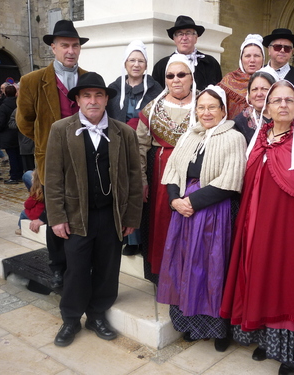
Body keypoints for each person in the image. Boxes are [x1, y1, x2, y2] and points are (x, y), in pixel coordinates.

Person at [220, 80, 294, 375]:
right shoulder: (259, 136)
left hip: (291, 230)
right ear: (266, 107)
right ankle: (265, 339)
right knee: (260, 274)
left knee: (288, 279)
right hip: (257, 224)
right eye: (277, 100)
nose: (283, 105)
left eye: (289, 100)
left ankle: (290, 351)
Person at [45, 72, 142, 347]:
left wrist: (131, 216)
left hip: (111, 215)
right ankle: (71, 318)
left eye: (99, 95)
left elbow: (135, 177)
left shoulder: (124, 132)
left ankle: (97, 314)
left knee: (108, 267)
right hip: (77, 216)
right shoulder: (61, 130)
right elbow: (51, 178)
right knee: (75, 269)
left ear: (106, 99)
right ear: (77, 100)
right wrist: (57, 217)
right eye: (87, 95)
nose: (93, 100)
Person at [157, 85, 246, 352]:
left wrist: (191, 202)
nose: (206, 112)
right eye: (201, 107)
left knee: (212, 270)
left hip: (213, 213)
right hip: (183, 213)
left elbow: (231, 180)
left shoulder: (233, 137)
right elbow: (173, 169)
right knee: (185, 266)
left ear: (223, 111)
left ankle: (218, 330)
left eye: (212, 107)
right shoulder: (189, 135)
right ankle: (190, 325)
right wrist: (175, 201)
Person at [17, 19, 89, 289]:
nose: (70, 50)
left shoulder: (88, 78)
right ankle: (58, 266)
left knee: (83, 213)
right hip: (51, 161)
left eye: (75, 45)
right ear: (53, 47)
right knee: (55, 214)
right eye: (64, 46)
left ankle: (81, 263)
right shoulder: (33, 80)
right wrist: (48, 143)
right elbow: (24, 121)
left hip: (84, 161)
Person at [137, 54, 196, 282]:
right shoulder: (152, 109)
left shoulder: (204, 104)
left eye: (182, 74)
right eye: (170, 76)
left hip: (194, 174)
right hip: (159, 174)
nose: (176, 80)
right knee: (161, 221)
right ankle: (162, 274)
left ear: (191, 77)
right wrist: (142, 180)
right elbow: (140, 147)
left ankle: (188, 274)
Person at [107, 40, 162, 256]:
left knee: (141, 191)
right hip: (120, 147)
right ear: (125, 63)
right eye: (132, 60)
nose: (136, 64)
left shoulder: (155, 89)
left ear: (146, 65)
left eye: (140, 60)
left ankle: (139, 239)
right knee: (122, 190)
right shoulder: (113, 88)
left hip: (144, 148)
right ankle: (125, 234)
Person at [152, 15, 222, 90]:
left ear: (196, 38)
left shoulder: (210, 63)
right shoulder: (162, 66)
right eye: (180, 34)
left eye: (188, 33)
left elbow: (219, 92)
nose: (184, 38)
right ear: (174, 39)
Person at [218, 34, 265, 119]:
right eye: (247, 56)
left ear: (263, 59)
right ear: (241, 59)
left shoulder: (271, 81)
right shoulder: (229, 80)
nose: (252, 60)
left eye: (257, 56)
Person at [233, 70, 276, 144]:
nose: (259, 94)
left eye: (265, 89)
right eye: (254, 89)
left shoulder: (285, 117)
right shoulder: (240, 121)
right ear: (249, 94)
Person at [0, 85, 23, 184]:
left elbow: (1, 121)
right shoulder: (18, 103)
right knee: (18, 155)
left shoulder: (4, 106)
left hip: (7, 133)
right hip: (17, 132)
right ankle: (19, 174)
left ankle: (14, 176)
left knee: (12, 156)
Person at [16, 169, 45, 235]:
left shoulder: (35, 193)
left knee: (23, 213)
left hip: (36, 214)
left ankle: (21, 228)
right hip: (43, 212)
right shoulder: (41, 192)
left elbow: (27, 205)